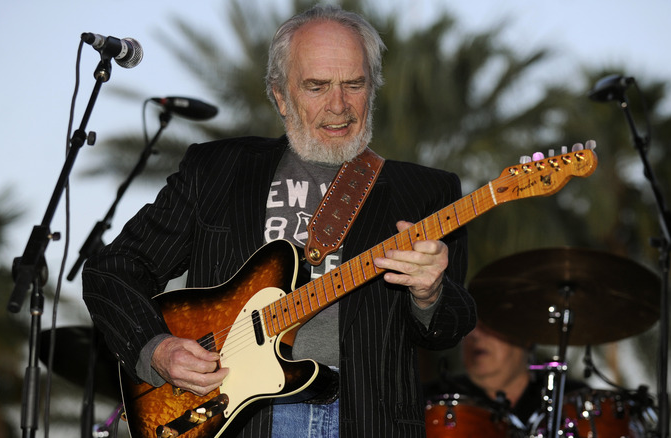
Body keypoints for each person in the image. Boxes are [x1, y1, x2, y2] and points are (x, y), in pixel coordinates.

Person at [82, 4, 476, 438]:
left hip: (367, 418)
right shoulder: (218, 170)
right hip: (233, 418)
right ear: (281, 97)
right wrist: (157, 350)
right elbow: (115, 267)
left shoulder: (426, 192)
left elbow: (449, 328)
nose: (339, 105)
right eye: (316, 86)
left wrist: (429, 292)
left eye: (354, 84)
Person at [424, 322, 587, 432]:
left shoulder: (573, 400)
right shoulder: (430, 400)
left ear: (526, 338)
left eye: (488, 325)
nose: (475, 334)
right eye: (470, 323)